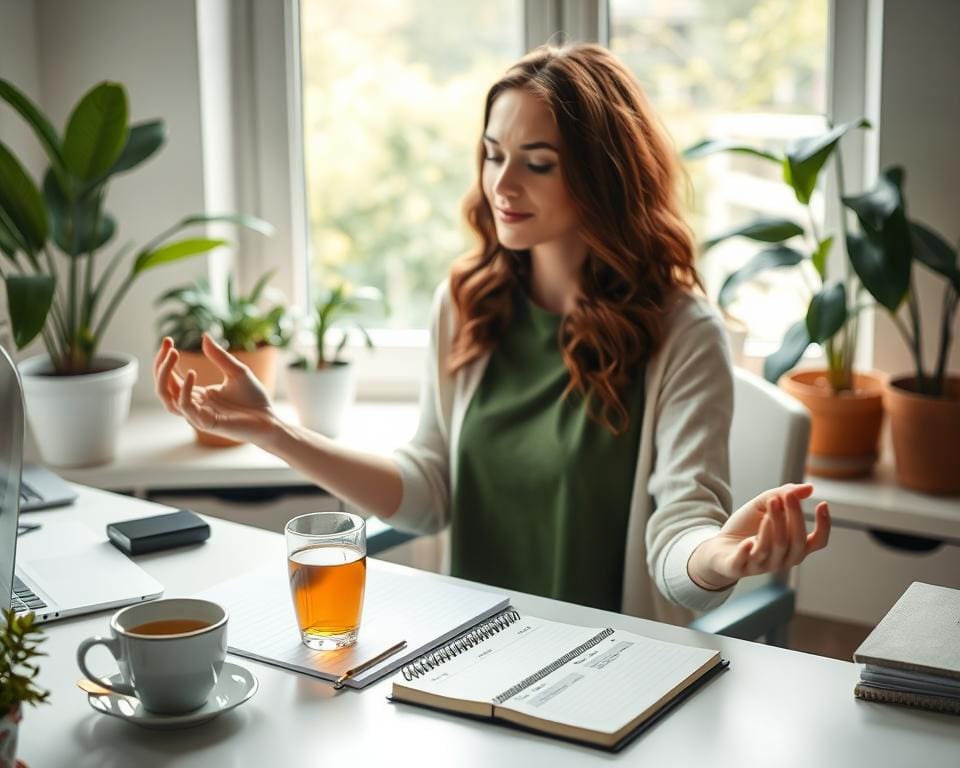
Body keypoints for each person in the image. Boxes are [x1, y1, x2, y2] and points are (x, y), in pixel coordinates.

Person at [154, 43, 830, 624]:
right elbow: (428, 492)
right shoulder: (467, 300)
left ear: (602, 178)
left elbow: (679, 537)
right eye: (492, 154)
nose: (502, 184)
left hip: (609, 673)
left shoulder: (683, 335)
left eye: (537, 163)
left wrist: (722, 556)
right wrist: (274, 431)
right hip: (471, 656)